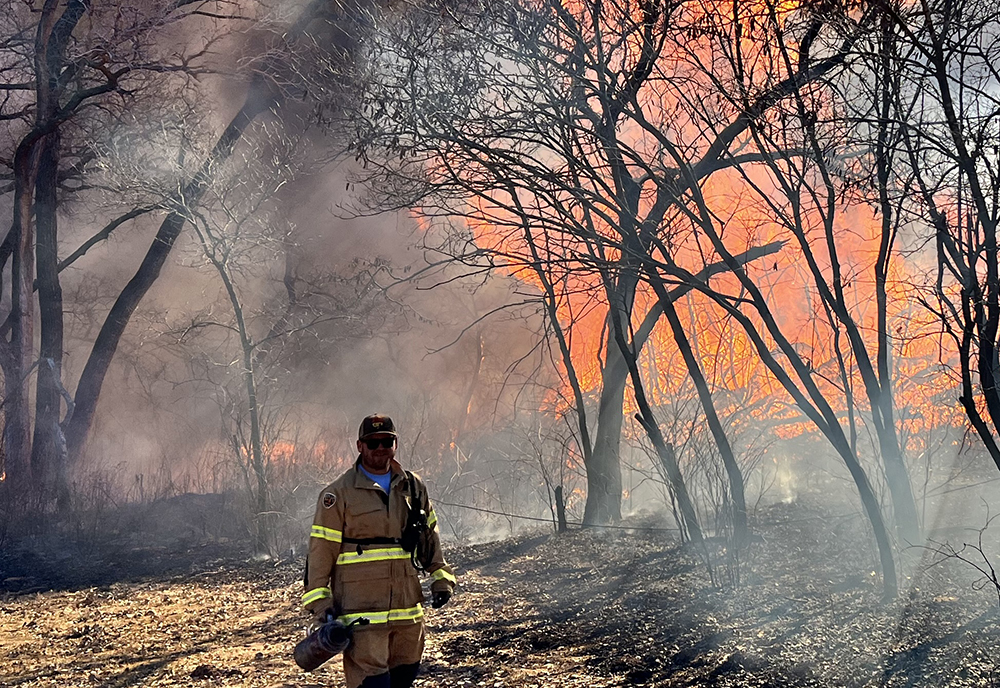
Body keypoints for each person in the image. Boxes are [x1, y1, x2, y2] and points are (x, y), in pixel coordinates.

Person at [303, 414, 456, 688]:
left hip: (407, 613)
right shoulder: (338, 494)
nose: (380, 448)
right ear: (360, 446)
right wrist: (320, 604)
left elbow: (430, 536)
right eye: (373, 443)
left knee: (403, 678)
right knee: (372, 684)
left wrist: (441, 578)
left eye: (386, 441)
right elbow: (321, 551)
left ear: (395, 443)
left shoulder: (413, 486)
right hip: (362, 615)